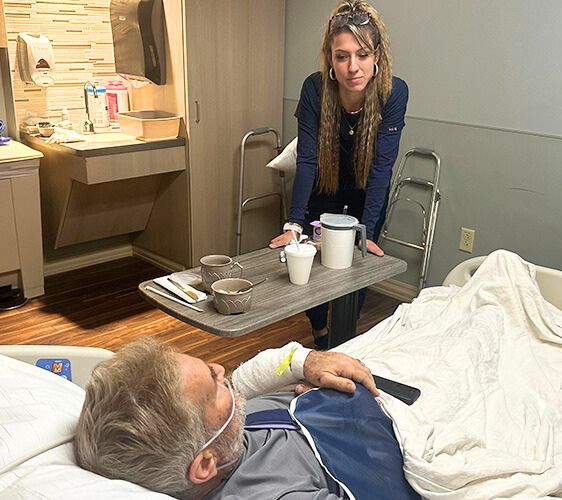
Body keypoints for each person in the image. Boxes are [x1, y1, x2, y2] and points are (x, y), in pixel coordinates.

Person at [74, 337, 381, 499]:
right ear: (206, 464)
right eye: (213, 381)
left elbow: (251, 376)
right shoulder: (268, 493)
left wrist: (303, 360)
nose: (221, 369)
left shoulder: (216, 434)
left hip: (344, 388)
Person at [269, 0, 408, 349]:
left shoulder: (394, 92)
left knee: (356, 266)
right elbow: (308, 160)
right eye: (342, 56)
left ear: (377, 55)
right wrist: (294, 224)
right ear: (330, 58)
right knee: (309, 264)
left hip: (365, 191)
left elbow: (382, 168)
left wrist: (368, 227)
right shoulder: (315, 89)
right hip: (323, 184)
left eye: (362, 54)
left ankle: (344, 336)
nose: (353, 67)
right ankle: (319, 331)